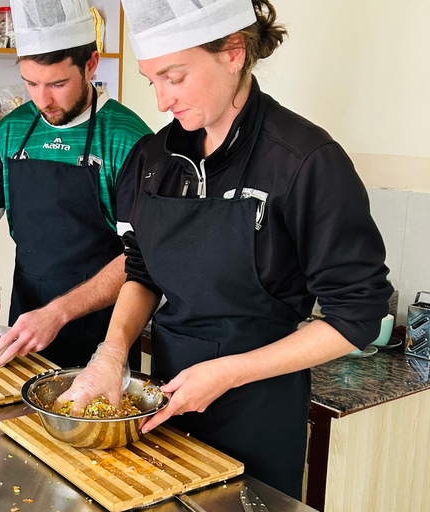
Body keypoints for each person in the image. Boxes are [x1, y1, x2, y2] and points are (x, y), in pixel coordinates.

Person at [56, 0, 393, 499]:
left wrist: (229, 372)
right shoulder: (155, 158)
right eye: (153, 81)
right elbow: (142, 270)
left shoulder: (305, 161)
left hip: (259, 410)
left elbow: (358, 315)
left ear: (233, 52)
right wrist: (111, 351)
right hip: (166, 401)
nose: (162, 103)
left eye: (174, 77)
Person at [0, 0, 152, 369]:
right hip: (24, 327)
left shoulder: (128, 139)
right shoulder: (12, 130)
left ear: (91, 65)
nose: (42, 100)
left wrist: (59, 312)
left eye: (58, 84)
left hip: (104, 335)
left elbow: (138, 258)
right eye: (31, 83)